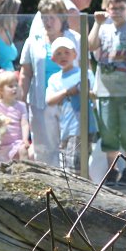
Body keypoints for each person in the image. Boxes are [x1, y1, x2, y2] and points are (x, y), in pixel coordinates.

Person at [88, 0, 126, 185]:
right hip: (106, 92)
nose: (117, 12)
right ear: (107, 9)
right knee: (108, 132)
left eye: (121, 8)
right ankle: (111, 169)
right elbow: (90, 45)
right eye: (113, 8)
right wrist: (97, 23)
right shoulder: (104, 29)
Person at [20, 0, 79, 168]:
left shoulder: (74, 38)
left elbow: (85, 68)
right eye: (44, 17)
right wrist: (20, 102)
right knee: (43, 151)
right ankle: (49, 189)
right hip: (40, 105)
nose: (48, 22)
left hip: (70, 104)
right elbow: (26, 72)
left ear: (61, 17)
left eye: (51, 17)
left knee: (70, 151)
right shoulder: (33, 41)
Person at [46, 37, 97, 173]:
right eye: (58, 53)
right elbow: (49, 100)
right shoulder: (54, 79)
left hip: (82, 125)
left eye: (66, 52)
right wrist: (68, 92)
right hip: (65, 127)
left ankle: (78, 193)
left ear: (75, 54)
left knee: (75, 166)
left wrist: (84, 91)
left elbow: (94, 94)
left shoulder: (85, 73)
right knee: (69, 165)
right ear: (53, 59)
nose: (63, 56)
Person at [0, 70, 32, 164]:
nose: (14, 88)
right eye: (10, 86)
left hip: (17, 142)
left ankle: (24, 175)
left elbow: (24, 124)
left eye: (16, 85)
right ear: (1, 90)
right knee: (3, 164)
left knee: (23, 151)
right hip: (1, 143)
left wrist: (25, 139)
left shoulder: (21, 106)